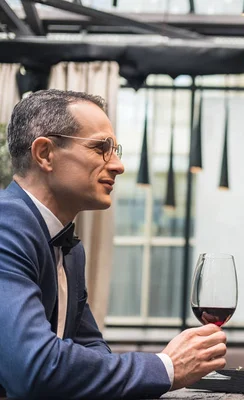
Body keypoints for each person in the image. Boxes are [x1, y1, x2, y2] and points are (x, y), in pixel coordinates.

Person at [0, 89, 227, 399]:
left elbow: (91, 347)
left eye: (115, 149)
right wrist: (167, 368)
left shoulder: (70, 248)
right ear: (45, 154)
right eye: (100, 148)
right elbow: (35, 369)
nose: (118, 165)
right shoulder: (5, 226)